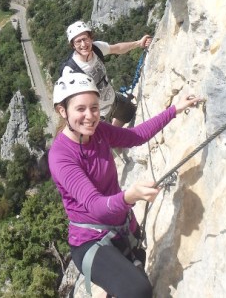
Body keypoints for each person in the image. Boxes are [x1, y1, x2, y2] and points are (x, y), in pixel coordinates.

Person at [49, 72, 203, 298]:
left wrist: (174, 110)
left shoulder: (98, 131)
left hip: (122, 227)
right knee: (139, 290)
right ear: (63, 111)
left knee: (139, 271)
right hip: (90, 241)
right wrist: (129, 197)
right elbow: (95, 205)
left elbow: (135, 136)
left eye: (94, 107)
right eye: (80, 109)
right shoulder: (61, 156)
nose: (90, 116)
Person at [61, 21, 152, 127]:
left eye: (85, 39)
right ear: (73, 45)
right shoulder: (70, 71)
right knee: (108, 140)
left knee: (131, 113)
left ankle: (115, 129)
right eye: (78, 41)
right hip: (97, 116)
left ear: (90, 38)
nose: (83, 44)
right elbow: (70, 103)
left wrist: (138, 43)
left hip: (113, 101)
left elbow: (117, 48)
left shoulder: (97, 48)